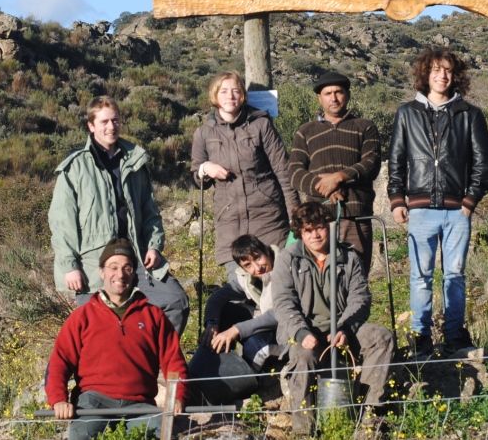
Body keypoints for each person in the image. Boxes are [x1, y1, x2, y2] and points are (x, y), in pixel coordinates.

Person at [48, 96, 189, 336]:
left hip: (135, 256)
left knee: (176, 302)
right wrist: (70, 267)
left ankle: (148, 355)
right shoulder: (74, 167)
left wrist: (153, 247)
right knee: (95, 328)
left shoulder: (135, 161)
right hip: (93, 263)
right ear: (91, 126)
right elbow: (62, 223)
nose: (111, 127)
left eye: (115, 120)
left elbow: (150, 211)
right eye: (104, 122)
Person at [388, 47, 488, 356]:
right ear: (425, 74)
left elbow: (484, 163)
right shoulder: (407, 113)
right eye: (436, 69)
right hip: (420, 210)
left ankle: (454, 334)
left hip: (457, 210)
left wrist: (470, 200)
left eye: (447, 70)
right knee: (420, 276)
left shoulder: (470, 114)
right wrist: (397, 199)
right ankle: (420, 335)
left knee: (455, 276)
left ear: (455, 76)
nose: (442, 75)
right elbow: (396, 160)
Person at [45, 238, 188, 440]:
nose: (120, 274)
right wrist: (59, 400)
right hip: (92, 404)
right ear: (102, 272)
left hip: (141, 405)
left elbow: (174, 361)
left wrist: (178, 396)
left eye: (127, 268)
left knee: (159, 431)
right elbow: (60, 362)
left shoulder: (154, 315)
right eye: (113, 267)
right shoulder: (82, 316)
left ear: (134, 274)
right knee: (82, 435)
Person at [272, 201, 393, 436]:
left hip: (343, 328)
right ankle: (304, 430)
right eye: (308, 230)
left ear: (329, 227)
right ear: (299, 232)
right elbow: (283, 302)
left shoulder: (349, 257)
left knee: (381, 337)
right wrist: (301, 332)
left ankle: (369, 414)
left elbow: (360, 298)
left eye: (320, 227)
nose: (315, 235)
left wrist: (345, 327)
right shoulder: (288, 259)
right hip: (306, 333)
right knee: (304, 357)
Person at [191, 70, 298, 280]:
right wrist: (205, 169)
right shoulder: (203, 133)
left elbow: (284, 173)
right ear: (215, 96)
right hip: (230, 224)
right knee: (241, 286)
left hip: (269, 220)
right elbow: (196, 178)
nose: (230, 96)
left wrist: (295, 214)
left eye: (235, 90)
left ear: (242, 95)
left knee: (278, 284)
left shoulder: (261, 125)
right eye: (224, 91)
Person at [288, 71, 382, 275]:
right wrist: (325, 188)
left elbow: (371, 164)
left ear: (347, 95)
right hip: (317, 219)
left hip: (355, 216)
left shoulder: (365, 126)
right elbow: (294, 172)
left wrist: (339, 177)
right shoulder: (306, 131)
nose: (334, 98)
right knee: (319, 277)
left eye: (338, 92)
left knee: (356, 276)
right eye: (328, 93)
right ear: (319, 98)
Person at [199, 234, 281, 371]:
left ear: (267, 251)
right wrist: (212, 323)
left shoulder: (286, 268)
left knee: (254, 344)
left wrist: (236, 329)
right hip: (267, 322)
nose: (257, 268)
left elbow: (280, 314)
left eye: (257, 258)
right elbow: (218, 297)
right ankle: (211, 368)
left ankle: (246, 378)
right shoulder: (247, 277)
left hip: (288, 332)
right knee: (225, 311)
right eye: (248, 265)